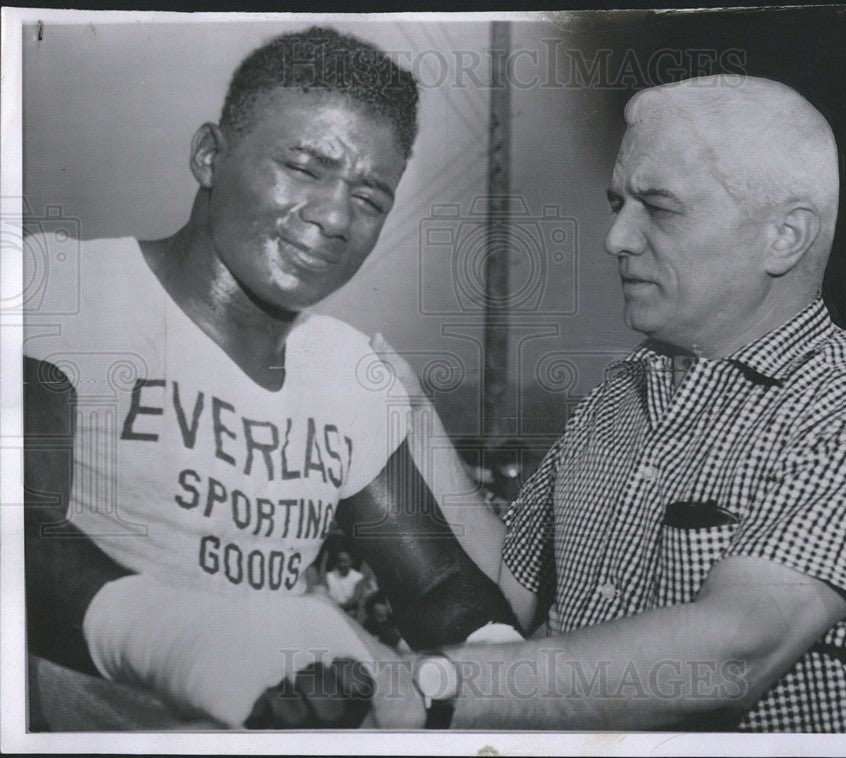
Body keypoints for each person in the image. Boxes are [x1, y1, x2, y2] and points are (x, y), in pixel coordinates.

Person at [367, 75, 846, 732]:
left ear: (784, 237)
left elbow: (733, 651)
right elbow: (508, 592)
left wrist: (441, 686)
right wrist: (411, 417)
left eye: (661, 207)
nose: (616, 239)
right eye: (618, 203)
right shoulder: (617, 396)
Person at [23, 26, 517, 731]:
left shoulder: (346, 370)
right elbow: (18, 527)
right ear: (208, 156)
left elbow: (437, 584)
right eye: (305, 167)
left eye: (371, 197)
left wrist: (495, 665)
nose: (334, 216)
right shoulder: (70, 286)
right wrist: (186, 641)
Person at [325, 549, 368, 615]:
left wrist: (339, 608)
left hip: (348, 612)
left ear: (351, 561)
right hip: (330, 610)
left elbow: (355, 599)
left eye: (345, 561)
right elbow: (325, 595)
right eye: (340, 561)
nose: (342, 564)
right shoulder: (329, 576)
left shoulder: (358, 578)